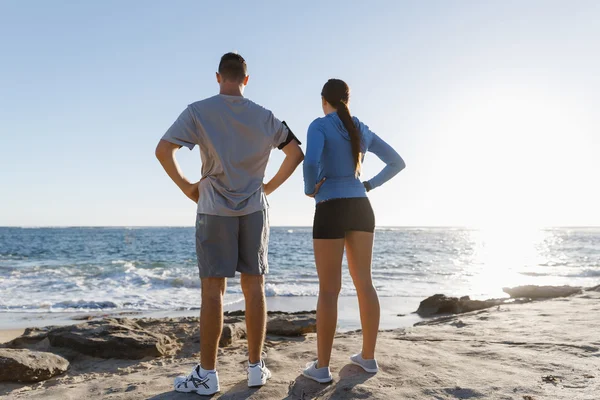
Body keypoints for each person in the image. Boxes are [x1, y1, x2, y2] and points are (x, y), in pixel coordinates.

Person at [155, 52, 304, 395]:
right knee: (254, 289)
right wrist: (266, 189)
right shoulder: (264, 116)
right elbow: (295, 153)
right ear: (246, 80)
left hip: (213, 208)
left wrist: (188, 187)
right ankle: (255, 368)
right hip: (254, 207)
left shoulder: (199, 110)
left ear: (219, 77)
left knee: (213, 292)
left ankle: (207, 374)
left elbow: (164, 150)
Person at [302, 78, 405, 383]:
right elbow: (397, 162)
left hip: (330, 206)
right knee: (365, 285)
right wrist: (368, 185)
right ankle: (368, 359)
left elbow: (310, 162)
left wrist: (311, 189)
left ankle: (321, 368)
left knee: (329, 290)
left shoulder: (319, 125)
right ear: (347, 99)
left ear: (324, 100)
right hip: (361, 206)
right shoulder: (360, 128)